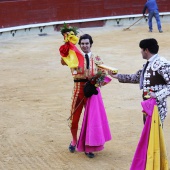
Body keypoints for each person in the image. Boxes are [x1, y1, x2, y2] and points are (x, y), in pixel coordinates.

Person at [61, 33, 111, 158]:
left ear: (91, 44)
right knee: (74, 119)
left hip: (92, 93)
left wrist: (97, 84)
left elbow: (103, 74)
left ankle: (89, 147)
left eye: (87, 43)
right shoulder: (74, 57)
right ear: (80, 45)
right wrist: (67, 44)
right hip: (78, 91)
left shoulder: (98, 58)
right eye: (82, 43)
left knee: (91, 121)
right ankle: (74, 140)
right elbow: (63, 61)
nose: (84, 46)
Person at [108, 38, 170, 125]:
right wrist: (117, 76)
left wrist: (157, 95)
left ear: (146, 50)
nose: (140, 51)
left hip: (157, 107)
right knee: (149, 134)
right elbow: (136, 77)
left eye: (141, 49)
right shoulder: (149, 64)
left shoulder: (162, 63)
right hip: (148, 105)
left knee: (154, 135)